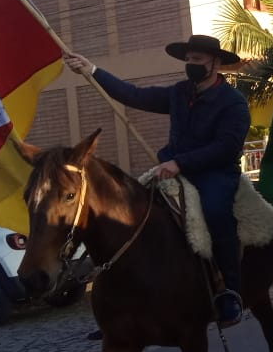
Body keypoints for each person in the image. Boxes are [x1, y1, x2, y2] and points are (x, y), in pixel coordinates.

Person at [63, 34, 252, 327]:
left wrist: (180, 162)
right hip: (171, 170)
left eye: (197, 60)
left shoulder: (233, 102)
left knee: (216, 213)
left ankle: (230, 293)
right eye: (188, 59)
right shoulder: (178, 93)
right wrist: (92, 70)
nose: (191, 64)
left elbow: (226, 146)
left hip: (215, 173)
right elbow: (133, 95)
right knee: (132, 214)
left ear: (215, 63)